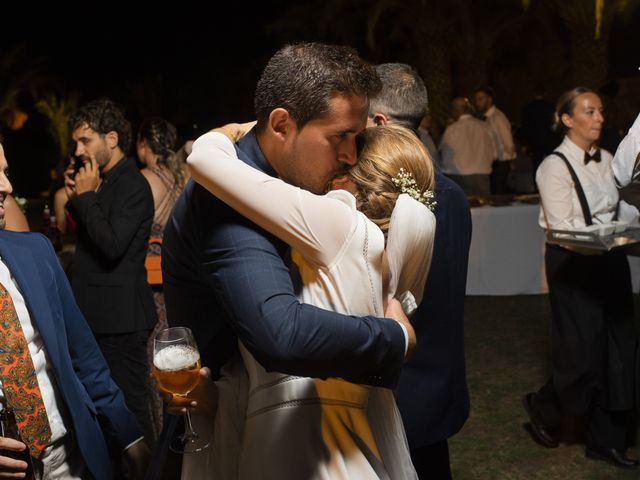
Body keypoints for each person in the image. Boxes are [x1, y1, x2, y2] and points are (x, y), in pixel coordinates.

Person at [157, 43, 416, 477]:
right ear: (281, 124)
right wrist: (395, 338)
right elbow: (280, 332)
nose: (352, 156)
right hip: (224, 424)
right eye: (339, 137)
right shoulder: (227, 200)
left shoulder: (278, 179)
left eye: (358, 137)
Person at [186, 123, 435, 479]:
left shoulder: (341, 225)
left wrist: (234, 130)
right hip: (332, 449)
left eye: (345, 153)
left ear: (348, 175)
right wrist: (217, 397)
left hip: (304, 455)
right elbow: (293, 378)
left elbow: (206, 161)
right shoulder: (381, 259)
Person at [0, 142, 150, 479]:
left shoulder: (35, 253)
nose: (7, 187)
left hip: (70, 461)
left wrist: (128, 436)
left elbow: (83, 354)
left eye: (5, 172)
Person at [524, 87, 638, 470]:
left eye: (602, 111)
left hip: (610, 259)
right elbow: (561, 228)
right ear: (567, 120)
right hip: (572, 264)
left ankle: (607, 439)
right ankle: (546, 407)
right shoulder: (553, 166)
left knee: (620, 350)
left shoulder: (610, 159)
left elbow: (621, 209)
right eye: (590, 112)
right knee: (581, 353)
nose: (600, 118)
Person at [368, 62, 471, 480]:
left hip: (387, 391)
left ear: (377, 120)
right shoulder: (455, 196)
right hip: (438, 386)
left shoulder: (375, 200)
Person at [63, 98, 157, 449]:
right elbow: (87, 242)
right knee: (109, 414)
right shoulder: (103, 182)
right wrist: (79, 198)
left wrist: (86, 199)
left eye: (86, 140)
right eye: (76, 142)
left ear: (112, 139)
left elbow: (112, 246)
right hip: (98, 317)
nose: (78, 150)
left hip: (122, 320)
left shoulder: (132, 184)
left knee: (132, 410)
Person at [136, 117, 185, 439]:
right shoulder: (184, 177)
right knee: (180, 353)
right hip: (178, 278)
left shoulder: (144, 180)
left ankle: (161, 439)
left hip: (151, 285)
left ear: (144, 145)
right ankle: (184, 425)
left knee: (155, 358)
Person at [438, 97, 496, 196]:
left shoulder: (452, 129)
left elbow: (445, 155)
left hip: (460, 176)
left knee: (464, 209)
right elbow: (494, 153)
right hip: (482, 175)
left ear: (456, 110)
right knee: (485, 208)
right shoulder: (484, 126)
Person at [473, 85, 516, 194]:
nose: (477, 102)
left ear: (490, 99)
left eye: (481, 99)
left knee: (499, 194)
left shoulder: (498, 117)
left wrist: (509, 164)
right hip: (491, 163)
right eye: (476, 99)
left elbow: (508, 141)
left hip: (501, 163)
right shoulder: (484, 118)